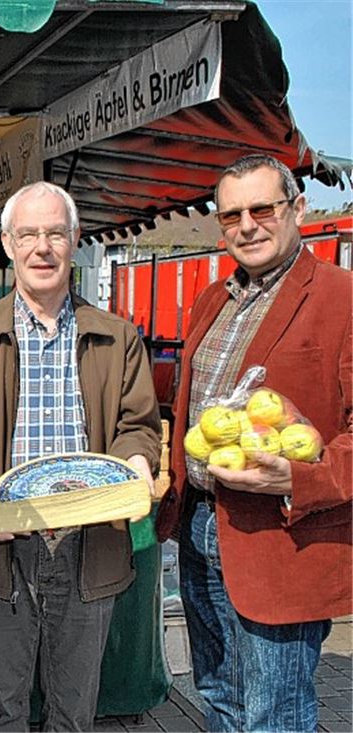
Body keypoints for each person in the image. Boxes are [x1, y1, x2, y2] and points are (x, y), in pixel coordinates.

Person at [0, 181, 161, 731]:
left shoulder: (117, 336)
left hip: (89, 542)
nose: (42, 247)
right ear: (9, 245)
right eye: (29, 234)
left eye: (55, 233)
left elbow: (139, 426)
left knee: (75, 709)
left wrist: (135, 462)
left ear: (75, 240)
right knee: (3, 707)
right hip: (3, 546)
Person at [156, 155, 352, 732]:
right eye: (232, 215)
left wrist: (300, 477)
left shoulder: (342, 298)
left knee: (275, 714)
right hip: (199, 524)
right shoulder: (213, 300)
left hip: (280, 537)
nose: (247, 225)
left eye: (262, 209)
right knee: (217, 694)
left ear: (297, 209)